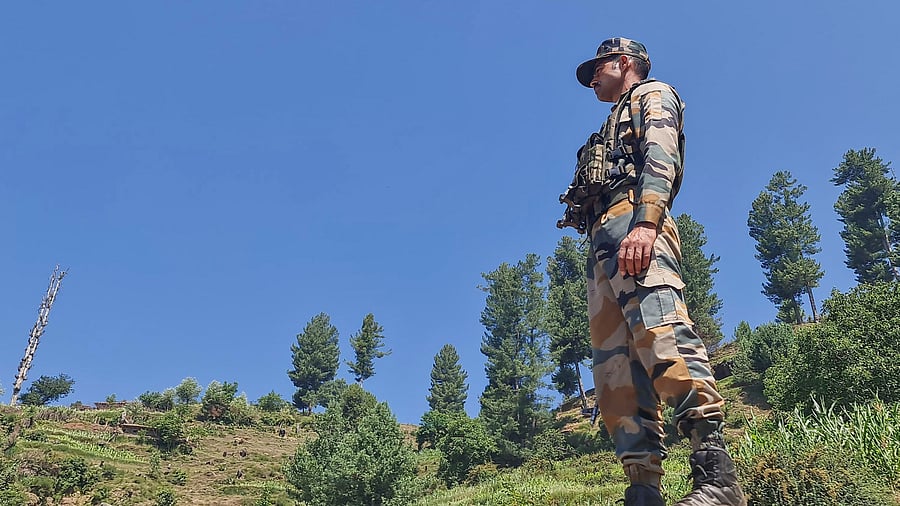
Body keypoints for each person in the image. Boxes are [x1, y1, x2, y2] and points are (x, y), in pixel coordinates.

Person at [558, 38, 746, 506]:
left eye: (597, 68)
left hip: (635, 223)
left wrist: (645, 225)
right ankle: (643, 491)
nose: (592, 79)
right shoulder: (610, 118)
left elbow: (662, 157)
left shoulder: (652, 94)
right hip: (602, 242)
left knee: (663, 336)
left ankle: (718, 480)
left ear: (624, 62)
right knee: (615, 374)